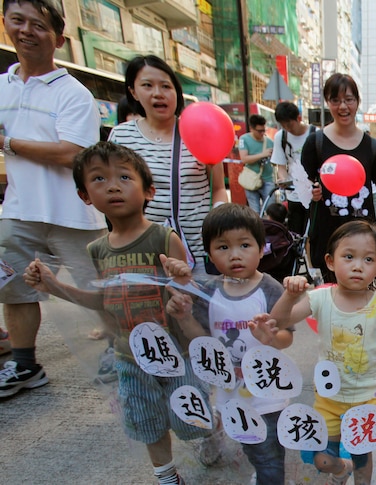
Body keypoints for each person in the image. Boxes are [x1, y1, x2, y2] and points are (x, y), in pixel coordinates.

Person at [24, 142, 210, 485]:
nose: (112, 186)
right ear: (84, 195)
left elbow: (187, 293)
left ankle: (209, 435)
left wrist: (181, 286)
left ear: (148, 190)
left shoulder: (162, 237)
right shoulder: (97, 249)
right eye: (98, 179)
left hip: (176, 352)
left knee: (190, 418)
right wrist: (52, 287)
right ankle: (167, 475)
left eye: (124, 177)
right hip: (129, 355)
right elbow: (102, 300)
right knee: (146, 420)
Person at [266, 221, 376, 485]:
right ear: (330, 261)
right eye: (349, 256)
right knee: (324, 459)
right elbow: (278, 322)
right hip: (329, 398)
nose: (357, 265)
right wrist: (288, 294)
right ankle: (343, 469)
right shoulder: (320, 299)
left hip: (368, 398)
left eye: (368, 259)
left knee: (363, 458)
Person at [0, 0, 107, 398]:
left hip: (74, 212)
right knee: (15, 289)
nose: (27, 31)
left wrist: (8, 143)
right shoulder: (1, 87)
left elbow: (73, 154)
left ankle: (118, 349)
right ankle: (25, 364)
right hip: (17, 210)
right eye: (18, 21)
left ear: (58, 39)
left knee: (98, 287)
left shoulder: (73, 94)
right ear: (6, 25)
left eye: (39, 25)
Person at [165, 203, 294, 485]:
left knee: (271, 452)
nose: (235, 255)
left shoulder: (270, 288)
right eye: (223, 247)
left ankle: (270, 476)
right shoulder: (210, 293)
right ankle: (263, 472)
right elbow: (203, 341)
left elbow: (287, 335)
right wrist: (185, 316)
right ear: (209, 254)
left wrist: (272, 338)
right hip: (230, 392)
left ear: (261, 249)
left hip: (267, 393)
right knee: (250, 444)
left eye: (244, 245)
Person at [109, 55, 228, 274]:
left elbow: (219, 188)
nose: (158, 93)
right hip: (145, 249)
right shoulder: (121, 137)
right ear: (133, 92)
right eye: (147, 85)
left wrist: (218, 222)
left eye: (166, 86)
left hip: (200, 248)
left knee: (200, 307)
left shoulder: (201, 130)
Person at [301, 73, 376, 280]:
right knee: (329, 292)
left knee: (362, 290)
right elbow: (304, 185)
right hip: (327, 231)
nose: (343, 106)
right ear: (328, 102)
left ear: (357, 102)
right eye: (335, 100)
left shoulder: (371, 146)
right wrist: (313, 193)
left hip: (361, 233)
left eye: (348, 99)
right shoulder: (315, 143)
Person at [271, 101, 317, 236]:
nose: (287, 128)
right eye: (283, 125)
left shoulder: (316, 134)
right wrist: (284, 180)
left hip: (313, 194)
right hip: (293, 193)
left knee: (313, 232)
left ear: (299, 118)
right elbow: (281, 165)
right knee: (294, 232)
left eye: (289, 124)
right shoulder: (281, 137)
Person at [238, 114, 275, 215]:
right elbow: (244, 159)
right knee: (255, 212)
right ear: (251, 128)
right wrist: (262, 155)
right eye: (259, 131)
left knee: (270, 211)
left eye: (264, 130)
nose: (262, 133)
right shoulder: (244, 139)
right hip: (251, 179)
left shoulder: (270, 142)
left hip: (268, 180)